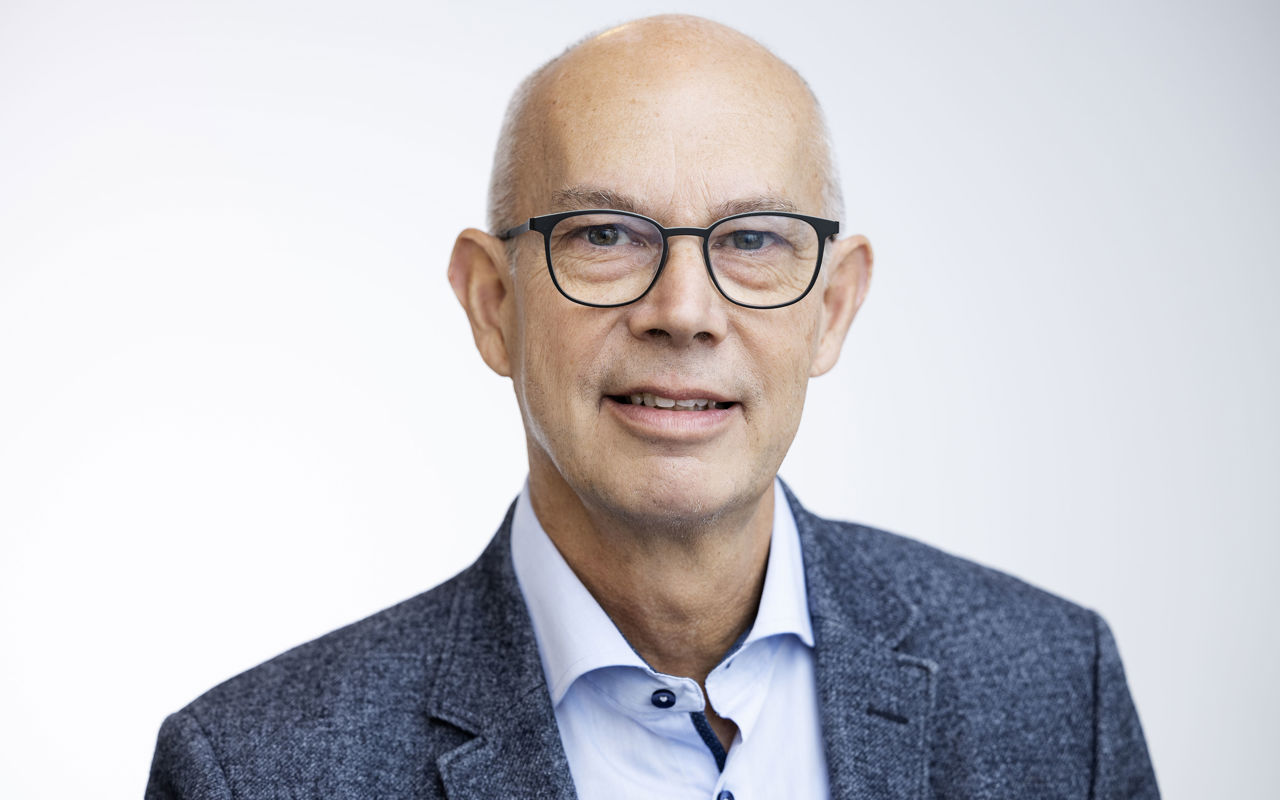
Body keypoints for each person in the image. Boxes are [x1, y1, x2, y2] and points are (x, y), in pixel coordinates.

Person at [146, 15, 1159, 800]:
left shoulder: (1051, 688)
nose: (682, 312)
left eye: (753, 240)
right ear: (492, 303)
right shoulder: (253, 769)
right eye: (605, 234)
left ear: (832, 308)